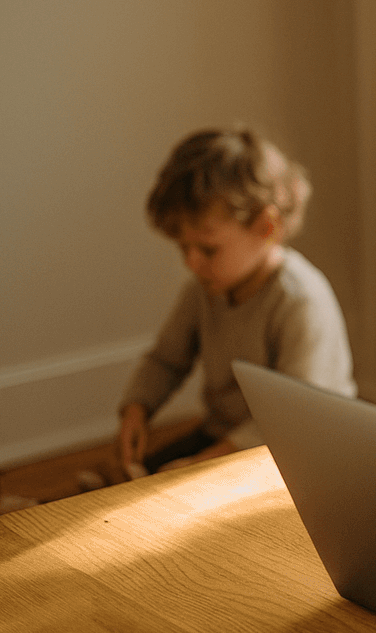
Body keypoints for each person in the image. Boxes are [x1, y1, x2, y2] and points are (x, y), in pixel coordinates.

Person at [115, 128, 356, 477]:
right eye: (184, 247)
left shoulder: (301, 301)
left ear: (266, 226)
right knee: (131, 487)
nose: (191, 263)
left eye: (208, 250)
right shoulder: (205, 288)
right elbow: (166, 360)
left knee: (169, 494)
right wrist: (137, 409)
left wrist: (206, 463)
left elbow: (298, 419)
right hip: (225, 439)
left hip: (302, 451)